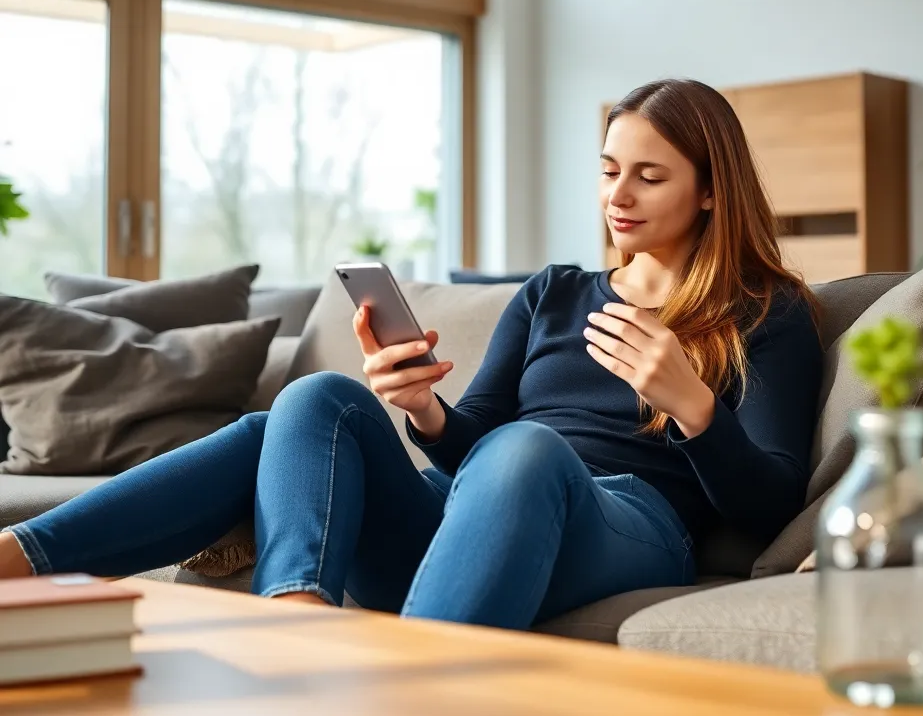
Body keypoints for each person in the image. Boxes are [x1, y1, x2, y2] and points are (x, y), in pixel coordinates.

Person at [0, 79, 823, 631]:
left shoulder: (767, 312)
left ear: (711, 189)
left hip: (629, 523)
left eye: (650, 176)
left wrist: (694, 406)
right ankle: (283, 616)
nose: (617, 197)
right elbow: (476, 447)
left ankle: (404, 694)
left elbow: (771, 503)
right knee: (314, 403)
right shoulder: (555, 292)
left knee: (526, 448)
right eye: (609, 170)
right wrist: (426, 411)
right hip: (472, 511)